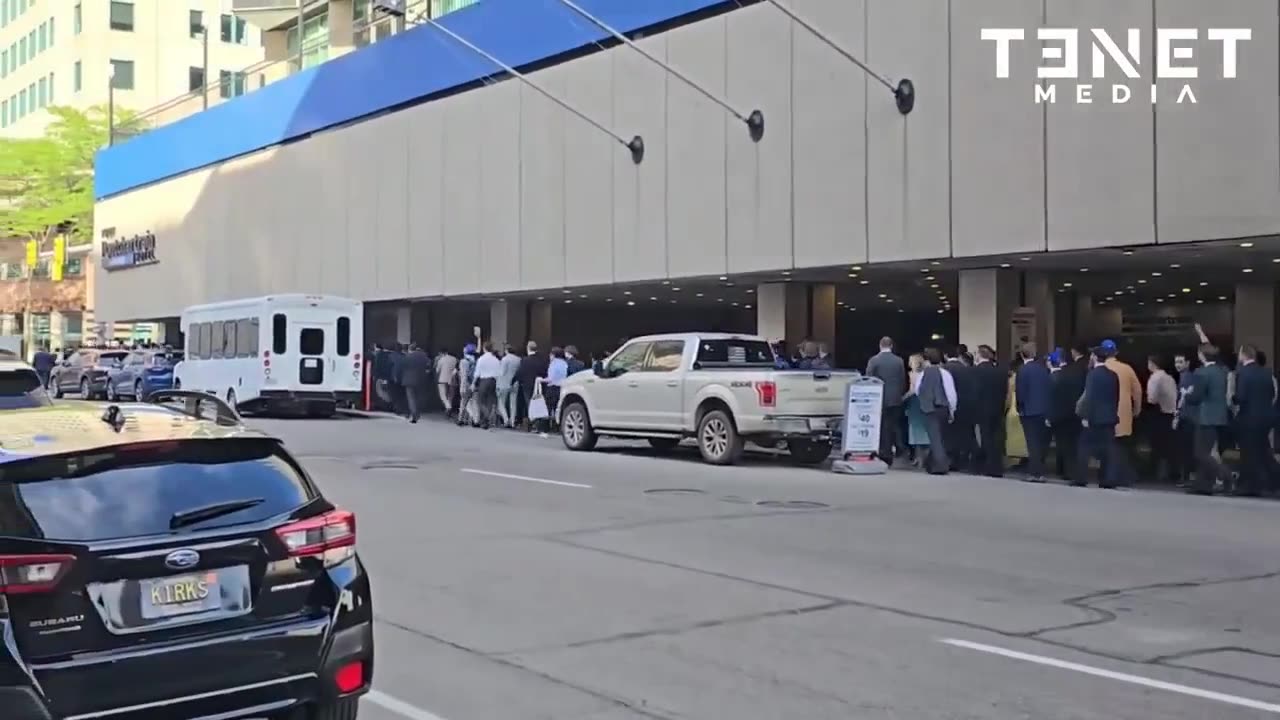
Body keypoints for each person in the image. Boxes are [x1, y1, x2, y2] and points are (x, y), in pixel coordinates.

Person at [1184, 343, 1233, 495]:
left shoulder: (1201, 373)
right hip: (1219, 416)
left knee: (1201, 453)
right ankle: (1203, 485)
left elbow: (1196, 397)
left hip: (1205, 416)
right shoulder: (1222, 371)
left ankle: (1226, 474)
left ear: (1201, 355)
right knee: (1206, 451)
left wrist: (1187, 394)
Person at [1232, 344, 1279, 496]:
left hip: (1249, 419)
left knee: (1248, 452)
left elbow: (1241, 397)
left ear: (1244, 355)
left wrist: (1234, 398)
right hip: (1266, 418)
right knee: (1263, 451)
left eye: (1239, 353)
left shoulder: (1243, 373)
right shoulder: (1266, 372)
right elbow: (1272, 394)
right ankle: (1273, 482)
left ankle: (1248, 486)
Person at [1074, 346, 1121, 489]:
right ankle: (1107, 480)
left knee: (1084, 448)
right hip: (1109, 417)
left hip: (1094, 418)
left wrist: (1086, 417)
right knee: (1108, 450)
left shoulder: (1092, 375)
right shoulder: (1113, 375)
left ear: (1094, 357)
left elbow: (1090, 397)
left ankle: (1081, 478)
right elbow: (1116, 397)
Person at [1101, 339, 1143, 485]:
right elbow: (1137, 391)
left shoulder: (1100, 368)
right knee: (1122, 446)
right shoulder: (1127, 368)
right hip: (1124, 414)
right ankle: (1126, 475)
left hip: (1104, 414)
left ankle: (1111, 476)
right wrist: (1136, 409)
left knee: (1107, 446)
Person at [1015, 343, 1053, 483]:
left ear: (1021, 355)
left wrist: (1019, 408)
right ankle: (1041, 471)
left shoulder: (1022, 370)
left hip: (1028, 411)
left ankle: (1034, 472)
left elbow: (1021, 393)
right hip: (1043, 410)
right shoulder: (1043, 369)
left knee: (1032, 443)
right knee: (1041, 442)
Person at [914, 348, 956, 475]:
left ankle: (940, 466)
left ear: (927, 361)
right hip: (942, 407)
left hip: (928, 408)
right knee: (939, 437)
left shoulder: (922, 374)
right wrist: (952, 410)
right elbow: (951, 394)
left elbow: (917, 390)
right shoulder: (945, 373)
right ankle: (933, 463)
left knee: (934, 438)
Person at [1050, 343, 1088, 483]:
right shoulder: (1081, 371)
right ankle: (1076, 472)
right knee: (1077, 444)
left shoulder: (1062, 375)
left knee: (1066, 445)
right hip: (1077, 413)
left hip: (1064, 414)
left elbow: (1056, 397)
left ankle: (1068, 471)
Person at [866, 337, 907, 464]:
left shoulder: (874, 360)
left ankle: (885, 453)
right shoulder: (899, 361)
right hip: (895, 398)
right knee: (892, 425)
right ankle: (898, 448)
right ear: (891, 346)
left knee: (882, 427)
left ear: (880, 345)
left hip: (879, 398)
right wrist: (900, 394)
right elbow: (902, 380)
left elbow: (869, 379)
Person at [971, 345, 1008, 477]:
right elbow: (1005, 391)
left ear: (980, 355)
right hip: (997, 408)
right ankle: (997, 466)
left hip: (981, 410)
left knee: (984, 438)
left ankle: (986, 466)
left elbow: (974, 393)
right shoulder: (1000, 371)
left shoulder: (975, 371)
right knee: (996, 438)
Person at [1145, 354, 1179, 484]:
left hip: (1159, 413)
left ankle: (1156, 473)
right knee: (1169, 445)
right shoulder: (1169, 378)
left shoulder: (1155, 378)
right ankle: (1171, 472)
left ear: (1152, 364)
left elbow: (1152, 399)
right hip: (1171, 413)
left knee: (1157, 445)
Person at [943, 348, 977, 472]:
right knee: (965, 433)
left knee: (950, 435)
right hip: (966, 405)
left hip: (952, 405)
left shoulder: (945, 369)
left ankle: (953, 460)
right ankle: (966, 459)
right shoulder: (965, 368)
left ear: (946, 355)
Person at [1172, 352, 1197, 487]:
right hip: (1188, 417)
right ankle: (1186, 476)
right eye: (1176, 362)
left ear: (1187, 363)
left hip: (1187, 417)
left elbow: (1182, 399)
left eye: (1181, 362)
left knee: (1185, 448)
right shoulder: (1183, 377)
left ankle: (1186, 477)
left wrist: (1176, 416)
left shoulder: (1187, 378)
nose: (1178, 365)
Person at [903, 354, 930, 467]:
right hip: (924, 402)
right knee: (925, 430)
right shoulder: (926, 373)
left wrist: (903, 398)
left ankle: (919, 458)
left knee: (915, 430)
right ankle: (925, 457)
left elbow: (912, 390)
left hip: (914, 403)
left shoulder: (912, 374)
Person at [517, 341, 549, 431]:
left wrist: (519, 381)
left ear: (528, 348)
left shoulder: (524, 360)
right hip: (539, 385)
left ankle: (531, 423)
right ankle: (539, 424)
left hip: (527, 385)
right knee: (539, 403)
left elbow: (520, 372)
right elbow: (544, 372)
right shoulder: (542, 360)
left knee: (529, 404)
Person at [398, 343, 431, 424]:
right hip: (421, 379)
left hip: (408, 380)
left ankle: (414, 414)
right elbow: (429, 367)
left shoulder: (407, 357)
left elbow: (401, 367)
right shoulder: (424, 357)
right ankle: (418, 412)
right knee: (419, 397)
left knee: (411, 398)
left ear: (410, 349)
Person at [1005, 355, 1028, 468]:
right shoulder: (1025, 376)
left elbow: (1009, 396)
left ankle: (1015, 459)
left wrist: (1005, 408)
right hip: (1025, 407)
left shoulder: (1012, 379)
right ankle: (1026, 457)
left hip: (1014, 407)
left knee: (1013, 436)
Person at [472, 342, 502, 430]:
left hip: (484, 381)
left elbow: (477, 373)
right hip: (493, 381)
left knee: (480, 401)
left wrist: (473, 383)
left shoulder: (481, 359)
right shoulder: (496, 360)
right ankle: (485, 422)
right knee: (489, 401)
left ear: (484, 348)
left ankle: (486, 417)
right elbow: (499, 373)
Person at [542, 346, 569, 434]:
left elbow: (550, 378)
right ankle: (557, 427)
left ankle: (547, 427)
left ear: (553, 355)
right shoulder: (565, 364)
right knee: (558, 407)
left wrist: (541, 379)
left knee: (549, 408)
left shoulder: (553, 364)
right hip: (561, 388)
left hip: (552, 388)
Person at [497, 343, 522, 428]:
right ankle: (512, 421)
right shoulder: (519, 359)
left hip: (504, 383)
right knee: (513, 403)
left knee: (501, 402)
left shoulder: (505, 359)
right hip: (515, 383)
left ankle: (505, 419)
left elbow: (502, 372)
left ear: (506, 351)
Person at [456, 344, 478, 427]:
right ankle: (475, 420)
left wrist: (462, 387)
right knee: (474, 403)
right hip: (474, 384)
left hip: (467, 384)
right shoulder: (476, 361)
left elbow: (464, 375)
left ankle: (460, 419)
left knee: (463, 403)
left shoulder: (463, 361)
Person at [434, 348, 458, 417]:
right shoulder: (455, 359)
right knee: (450, 395)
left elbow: (437, 370)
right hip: (452, 379)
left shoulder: (441, 359)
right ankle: (448, 407)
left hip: (442, 379)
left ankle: (448, 406)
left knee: (443, 395)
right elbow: (456, 368)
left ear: (443, 353)